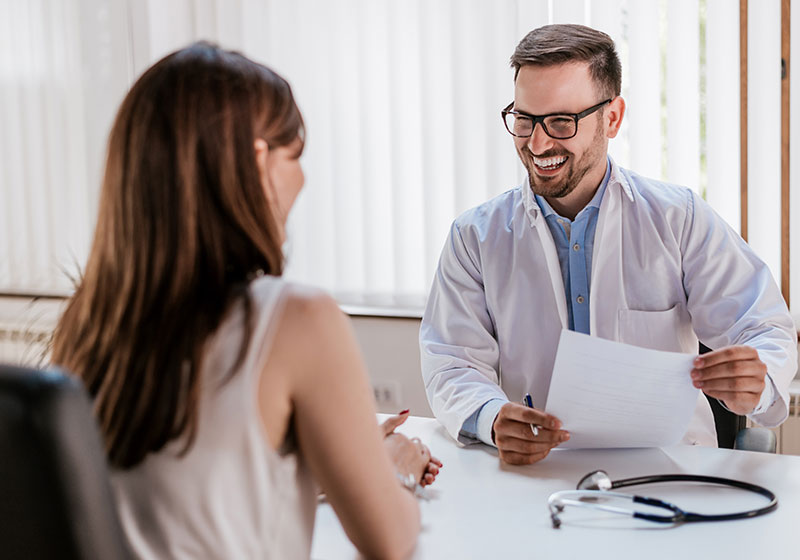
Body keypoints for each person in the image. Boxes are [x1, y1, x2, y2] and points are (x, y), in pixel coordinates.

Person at [51, 42, 440, 559]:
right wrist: (391, 467)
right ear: (258, 162)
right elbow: (388, 541)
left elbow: (179, 497)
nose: (303, 179)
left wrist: (321, 464)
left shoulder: (89, 322)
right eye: (295, 157)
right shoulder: (297, 319)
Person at [420, 24, 797, 465]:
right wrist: (490, 417)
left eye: (561, 122)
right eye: (524, 120)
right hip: (540, 474)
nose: (537, 143)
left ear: (612, 118)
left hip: (671, 467)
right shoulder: (474, 237)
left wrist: (758, 378)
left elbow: (763, 326)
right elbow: (451, 361)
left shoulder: (678, 219)